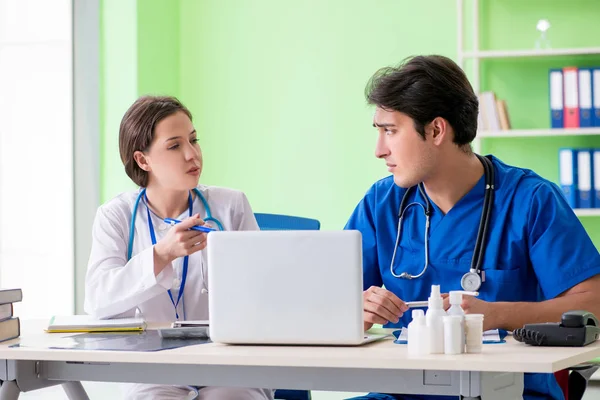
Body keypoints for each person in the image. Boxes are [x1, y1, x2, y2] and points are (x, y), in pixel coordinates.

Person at [345, 55, 600, 400]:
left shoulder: (531, 200)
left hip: (507, 392)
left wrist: (498, 314)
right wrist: (354, 312)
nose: (379, 150)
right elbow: (321, 304)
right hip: (399, 393)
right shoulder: (381, 204)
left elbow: (594, 305)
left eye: (390, 131)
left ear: (436, 130)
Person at [84, 95, 274, 400]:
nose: (192, 154)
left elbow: (266, 291)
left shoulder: (230, 206)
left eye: (194, 140)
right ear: (142, 160)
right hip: (152, 369)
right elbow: (97, 300)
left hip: (229, 363)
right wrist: (161, 255)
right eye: (175, 146)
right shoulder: (115, 215)